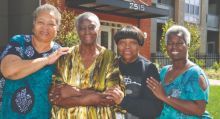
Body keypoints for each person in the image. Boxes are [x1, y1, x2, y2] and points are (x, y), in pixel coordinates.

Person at [49, 12, 125, 119]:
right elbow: (55, 96)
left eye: (91, 27)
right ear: (77, 31)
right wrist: (89, 98)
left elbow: (111, 98)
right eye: (82, 28)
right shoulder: (65, 56)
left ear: (98, 29)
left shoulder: (109, 58)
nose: (87, 32)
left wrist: (74, 93)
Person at [0, 4, 69, 118]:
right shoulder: (19, 42)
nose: (45, 27)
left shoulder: (60, 55)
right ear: (33, 24)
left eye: (51, 24)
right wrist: (46, 60)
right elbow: (8, 70)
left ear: (58, 28)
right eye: (41, 22)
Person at [146, 25, 212, 119]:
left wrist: (165, 97)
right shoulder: (164, 71)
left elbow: (199, 110)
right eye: (170, 43)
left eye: (180, 43)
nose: (174, 47)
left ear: (188, 45)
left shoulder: (195, 74)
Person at [113, 25, 163, 119]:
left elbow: (154, 108)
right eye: (122, 43)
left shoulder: (148, 69)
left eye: (133, 43)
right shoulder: (111, 67)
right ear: (117, 45)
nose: (127, 47)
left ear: (139, 45)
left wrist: (123, 101)